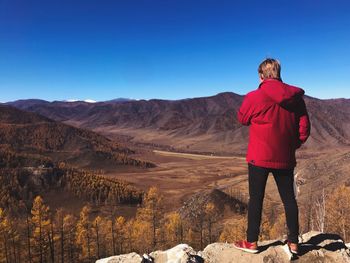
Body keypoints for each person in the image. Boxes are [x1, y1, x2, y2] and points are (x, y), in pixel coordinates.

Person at [233, 58, 310, 255]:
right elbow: (304, 128)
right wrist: (293, 144)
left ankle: (252, 243)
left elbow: (242, 118)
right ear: (279, 73)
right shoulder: (295, 99)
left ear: (261, 76)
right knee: (289, 200)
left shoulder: (254, 97)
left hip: (258, 157)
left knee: (256, 199)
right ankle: (293, 243)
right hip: (285, 157)